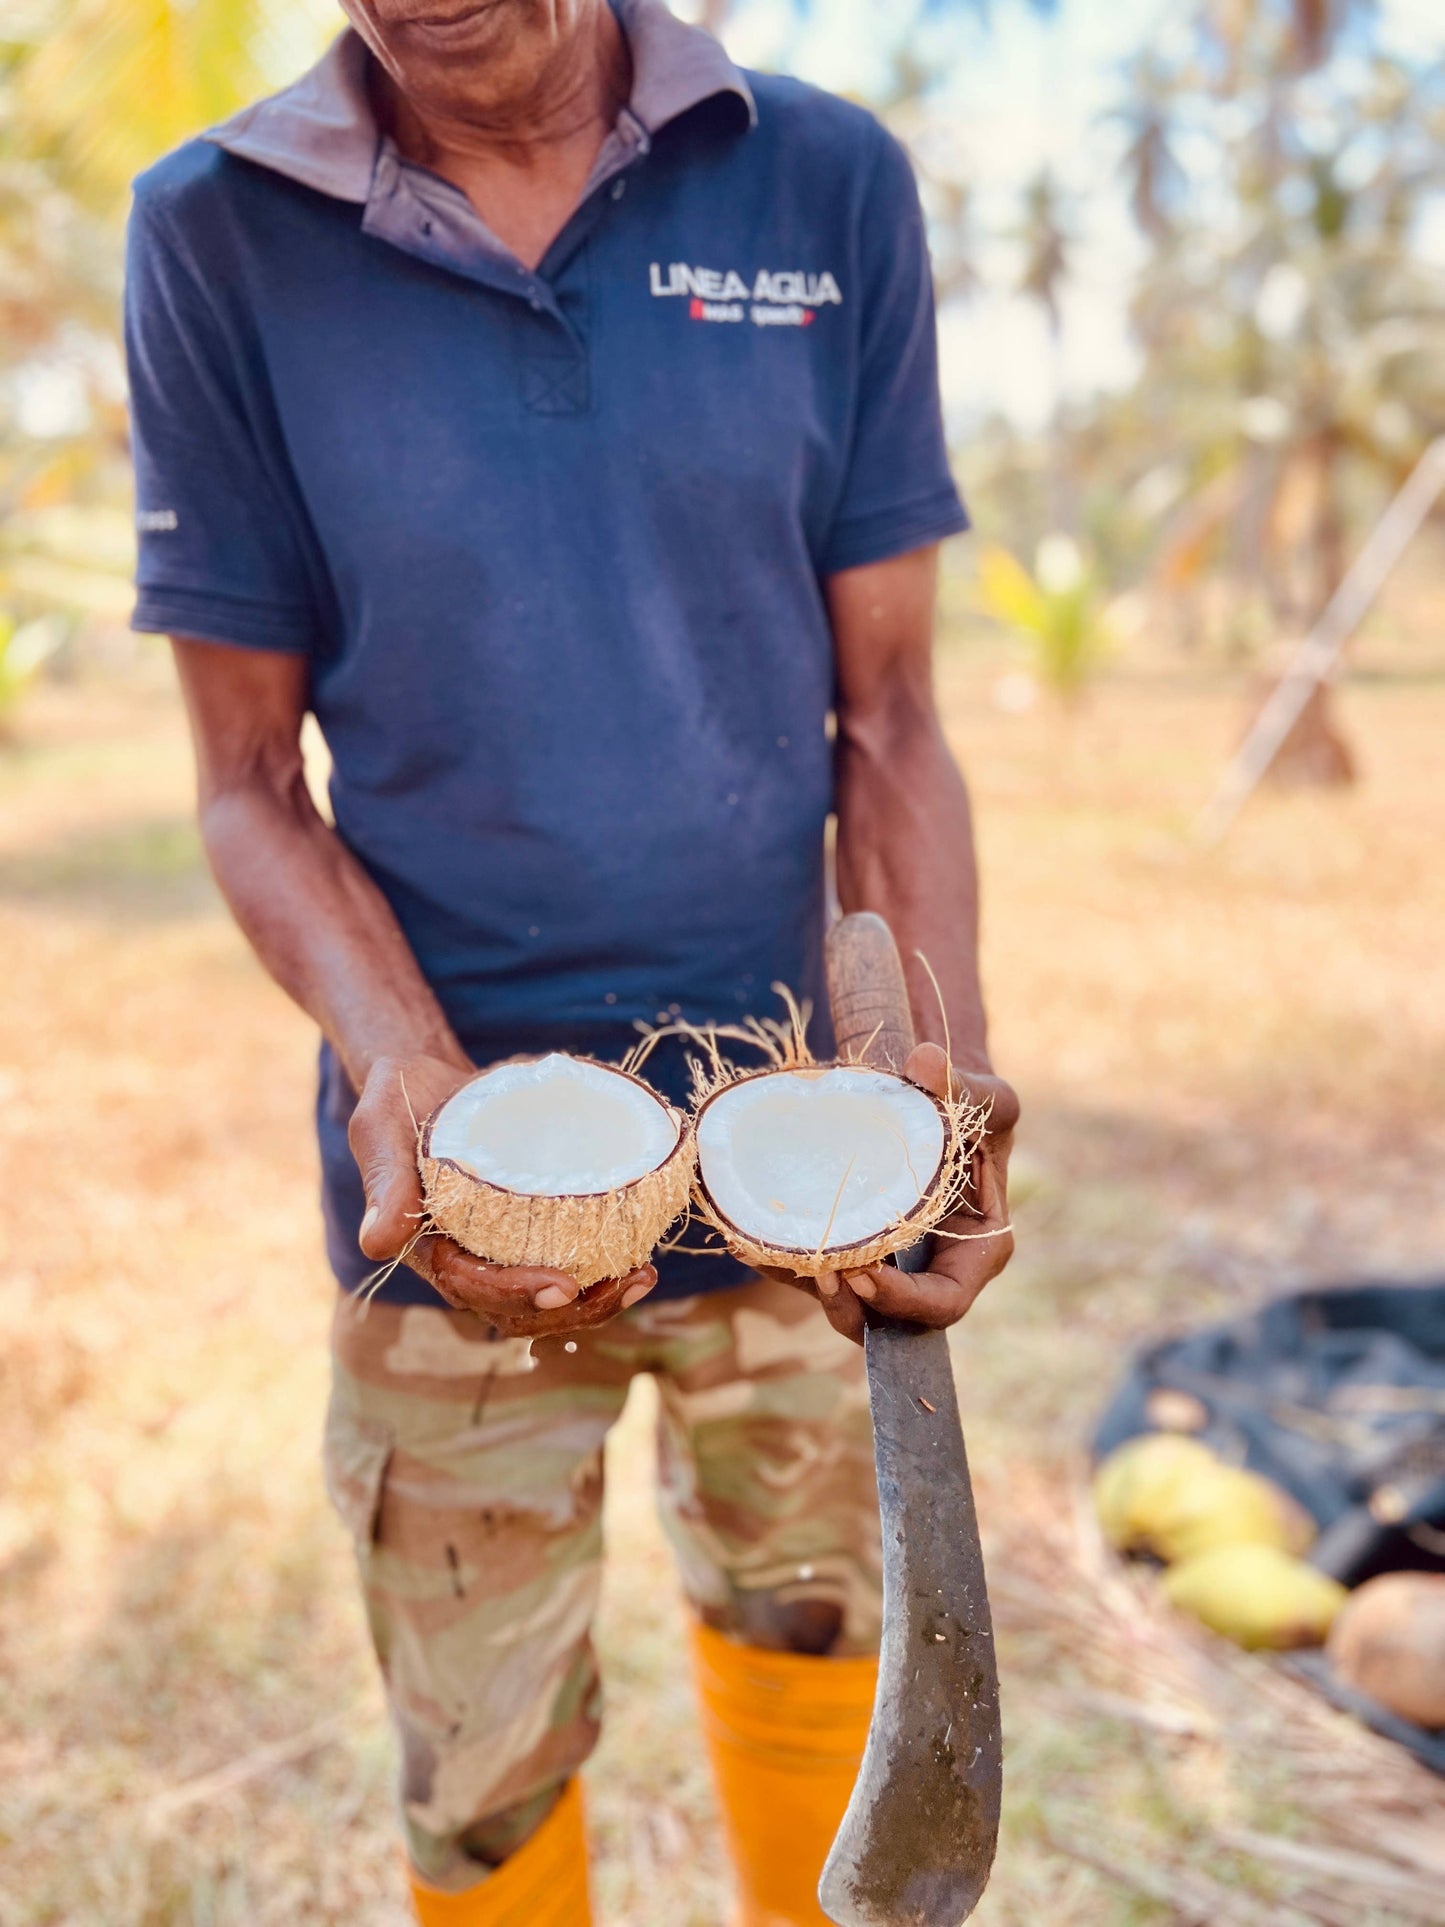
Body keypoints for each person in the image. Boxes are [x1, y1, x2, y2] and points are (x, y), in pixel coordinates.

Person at [124, 1, 1019, 1920]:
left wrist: (926, 1084)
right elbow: (242, 781)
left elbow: (892, 713)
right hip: (441, 1194)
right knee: (481, 1750)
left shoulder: (820, 179)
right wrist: (395, 1065)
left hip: (798, 1160)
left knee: (817, 1650)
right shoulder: (214, 228)